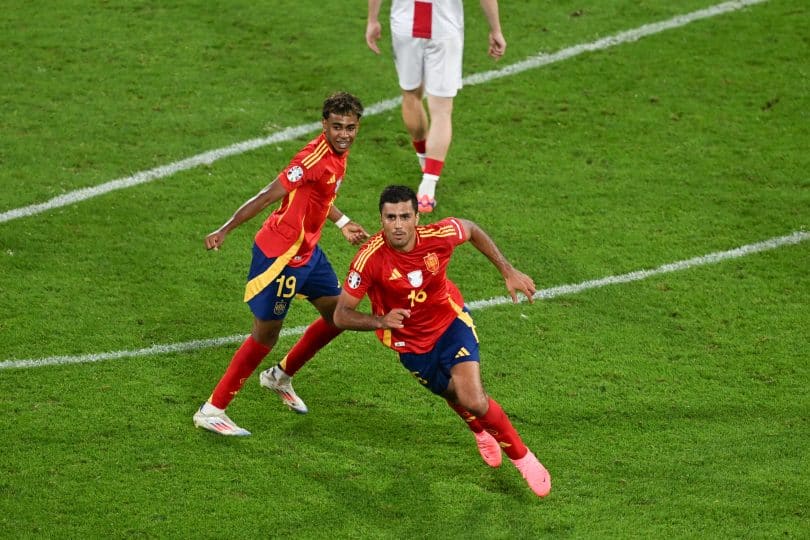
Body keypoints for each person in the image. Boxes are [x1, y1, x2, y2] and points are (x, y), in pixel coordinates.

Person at [332, 184, 550, 497]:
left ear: (416, 217)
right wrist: (379, 320)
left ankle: (523, 457)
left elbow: (471, 229)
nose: (398, 225)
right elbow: (341, 314)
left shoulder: (438, 236)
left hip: (450, 324)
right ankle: (478, 429)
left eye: (404, 216)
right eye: (390, 217)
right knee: (452, 393)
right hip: (409, 344)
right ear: (380, 219)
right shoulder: (369, 260)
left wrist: (507, 269)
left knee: (473, 397)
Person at [193, 92, 369, 436]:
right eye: (336, 127)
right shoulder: (312, 158)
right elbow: (267, 195)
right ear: (324, 125)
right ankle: (212, 409)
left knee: (338, 317)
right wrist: (225, 229)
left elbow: (321, 195)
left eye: (350, 127)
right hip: (281, 257)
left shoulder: (338, 154)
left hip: (309, 254)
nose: (344, 134)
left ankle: (279, 377)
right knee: (265, 335)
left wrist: (342, 221)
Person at [365, 0, 506, 213]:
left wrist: (372, 20)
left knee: (411, 96)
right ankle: (428, 186)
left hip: (405, 23)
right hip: (444, 27)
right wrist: (495, 29)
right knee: (441, 110)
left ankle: (424, 160)